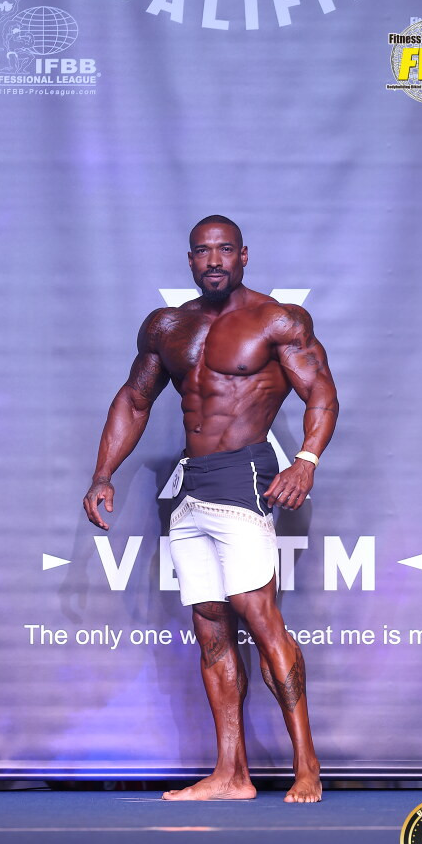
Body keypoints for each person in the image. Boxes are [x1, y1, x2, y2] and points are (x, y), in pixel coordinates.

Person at [83, 215, 338, 803]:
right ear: (191, 260)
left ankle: (307, 764)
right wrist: (103, 473)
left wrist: (305, 460)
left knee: (261, 618)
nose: (214, 260)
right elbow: (136, 400)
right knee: (211, 628)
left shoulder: (277, 320)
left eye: (225, 250)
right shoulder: (167, 326)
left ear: (244, 255)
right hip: (191, 486)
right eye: (203, 251)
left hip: (244, 477)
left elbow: (321, 391)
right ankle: (232, 774)